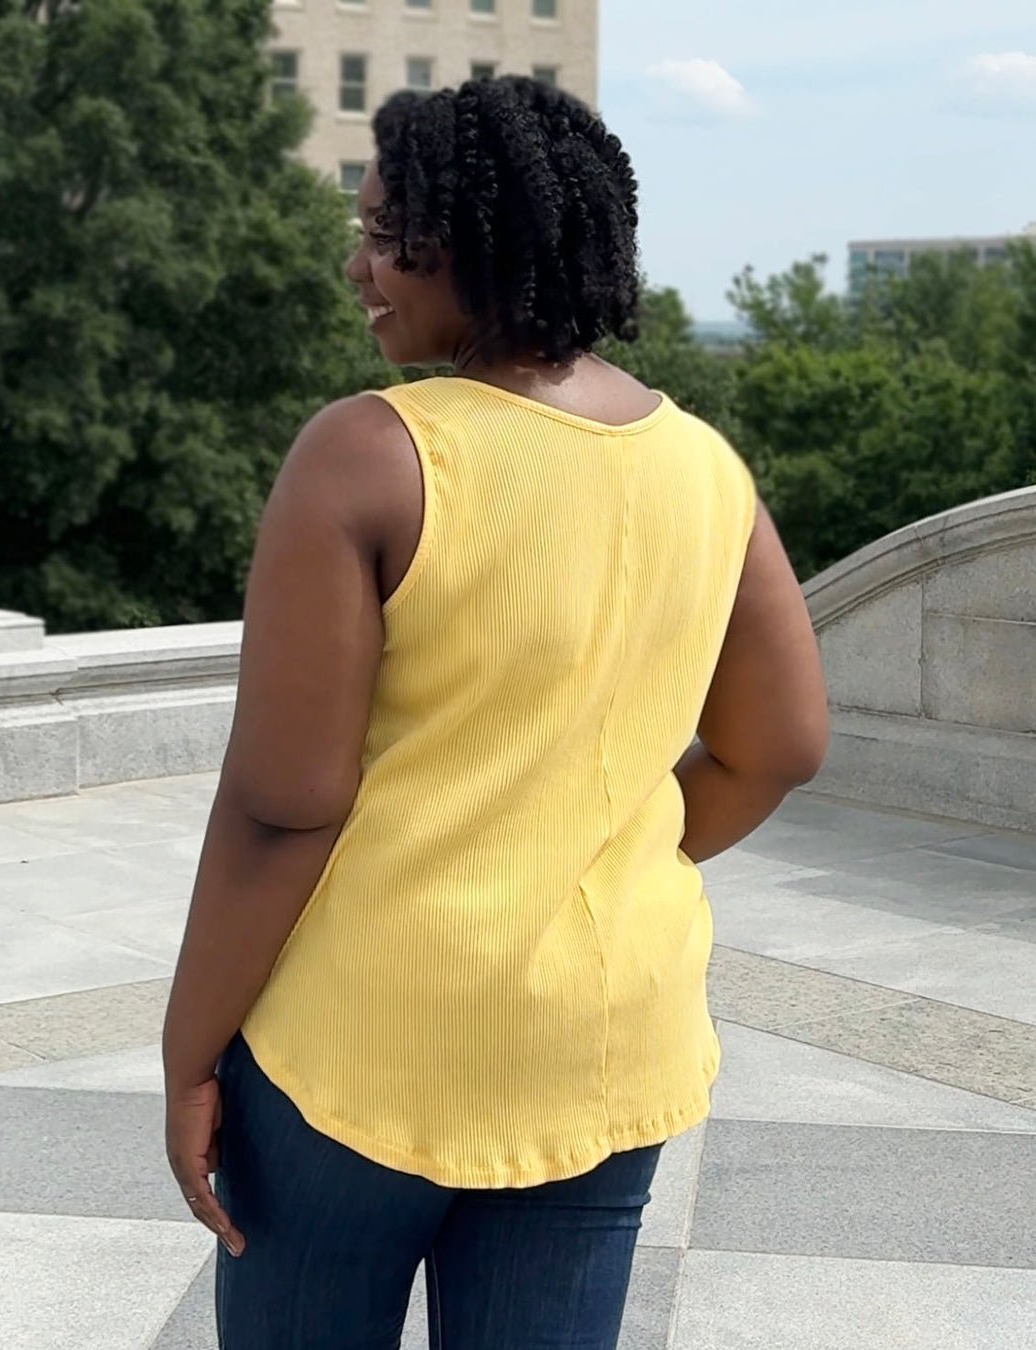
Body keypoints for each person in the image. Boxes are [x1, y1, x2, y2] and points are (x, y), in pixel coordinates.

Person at [162, 74, 829, 1350]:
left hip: (367, 1041)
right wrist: (573, 849)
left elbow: (285, 807)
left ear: (472, 239)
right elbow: (783, 745)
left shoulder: (369, 453)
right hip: (602, 1042)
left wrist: (188, 1053)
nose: (356, 267)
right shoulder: (706, 467)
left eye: (382, 234)